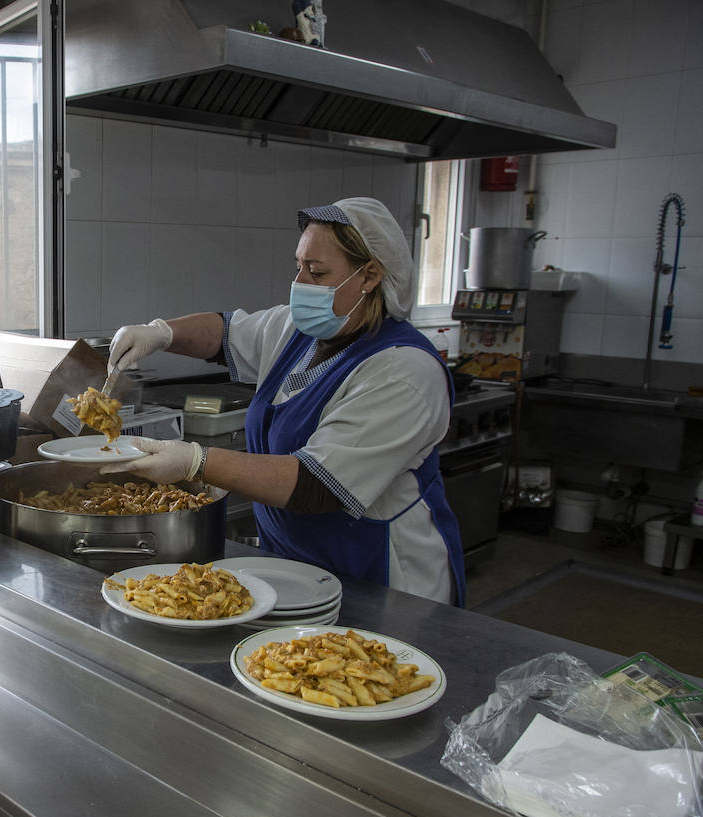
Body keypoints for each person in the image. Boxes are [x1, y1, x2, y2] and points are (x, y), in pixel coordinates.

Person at [102, 197, 465, 606]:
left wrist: (196, 460)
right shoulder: (301, 332)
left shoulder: (403, 372)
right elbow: (225, 333)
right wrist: (160, 333)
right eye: (299, 267)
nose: (301, 284)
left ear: (370, 276)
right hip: (299, 568)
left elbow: (317, 485)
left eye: (317, 272)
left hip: (381, 578)